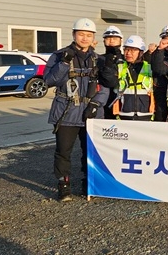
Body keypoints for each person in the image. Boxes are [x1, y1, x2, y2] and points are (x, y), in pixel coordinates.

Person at [45, 18, 109, 201]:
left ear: (93, 37)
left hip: (91, 112)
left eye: (89, 35)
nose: (84, 38)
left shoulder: (98, 59)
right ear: (74, 34)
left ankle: (88, 183)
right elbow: (49, 80)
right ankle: (63, 186)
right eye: (81, 34)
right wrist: (64, 64)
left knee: (89, 151)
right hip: (66, 112)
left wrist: (96, 104)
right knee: (63, 151)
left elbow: (105, 86)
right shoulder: (59, 56)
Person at [111, 36, 155, 120]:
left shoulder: (149, 67)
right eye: (126, 49)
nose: (128, 53)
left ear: (140, 52)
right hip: (124, 115)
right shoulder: (119, 67)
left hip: (145, 115)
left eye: (132, 50)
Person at [99, 26, 124, 119]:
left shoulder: (126, 59)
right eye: (108, 38)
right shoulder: (99, 59)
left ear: (121, 41)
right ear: (104, 41)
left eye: (115, 38)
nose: (111, 41)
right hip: (104, 101)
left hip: (123, 101)